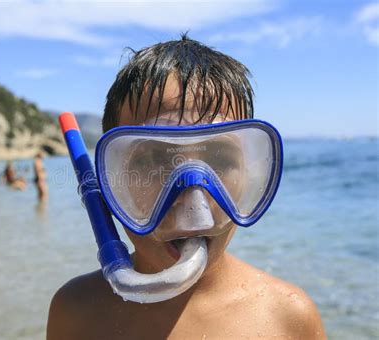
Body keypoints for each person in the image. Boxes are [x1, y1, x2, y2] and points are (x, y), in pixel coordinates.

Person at [47, 36, 326, 339]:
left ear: (250, 174)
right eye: (153, 159)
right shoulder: (75, 311)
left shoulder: (287, 318)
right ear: (111, 182)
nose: (193, 201)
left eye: (220, 159)